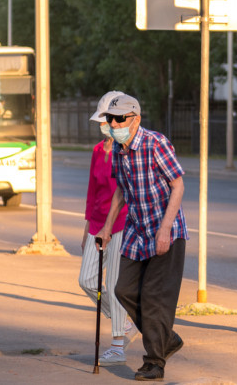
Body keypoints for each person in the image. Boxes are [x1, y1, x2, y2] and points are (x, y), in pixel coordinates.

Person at [96, 94, 188, 382]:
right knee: (123, 289)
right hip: (138, 232)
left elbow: (178, 185)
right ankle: (166, 338)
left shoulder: (154, 143)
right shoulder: (120, 151)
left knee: (154, 298)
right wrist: (107, 228)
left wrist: (164, 228)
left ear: (135, 118)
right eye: (110, 119)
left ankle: (154, 362)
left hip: (166, 232)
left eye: (119, 119)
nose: (113, 123)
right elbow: (121, 191)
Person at [78, 91, 139, 366]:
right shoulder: (96, 151)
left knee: (113, 285)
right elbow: (93, 192)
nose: (107, 125)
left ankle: (117, 345)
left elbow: (128, 192)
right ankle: (123, 321)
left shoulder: (127, 151)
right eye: (104, 120)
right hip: (97, 225)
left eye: (110, 120)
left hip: (122, 224)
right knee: (87, 280)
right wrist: (87, 228)